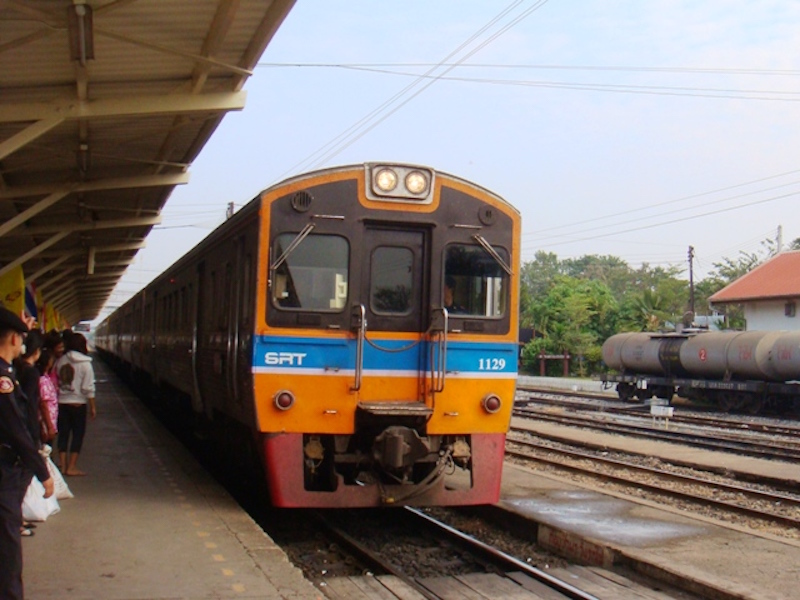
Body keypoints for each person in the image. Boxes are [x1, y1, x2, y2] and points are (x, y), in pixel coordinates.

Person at [0, 307, 54, 600]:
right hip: (4, 471)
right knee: (7, 548)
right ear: (12, 339)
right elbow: (16, 430)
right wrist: (43, 472)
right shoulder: (3, 378)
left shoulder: (9, 372)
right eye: (22, 336)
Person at [55, 332, 96, 476]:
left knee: (63, 434)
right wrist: (92, 406)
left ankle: (63, 464)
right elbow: (88, 387)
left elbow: (56, 379)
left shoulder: (60, 361)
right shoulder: (86, 364)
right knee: (77, 435)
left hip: (62, 403)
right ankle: (72, 467)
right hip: (78, 404)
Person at [36, 349, 58, 444]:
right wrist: (49, 427)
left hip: (48, 422)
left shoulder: (45, 378)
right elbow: (44, 404)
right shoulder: (43, 381)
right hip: (46, 424)